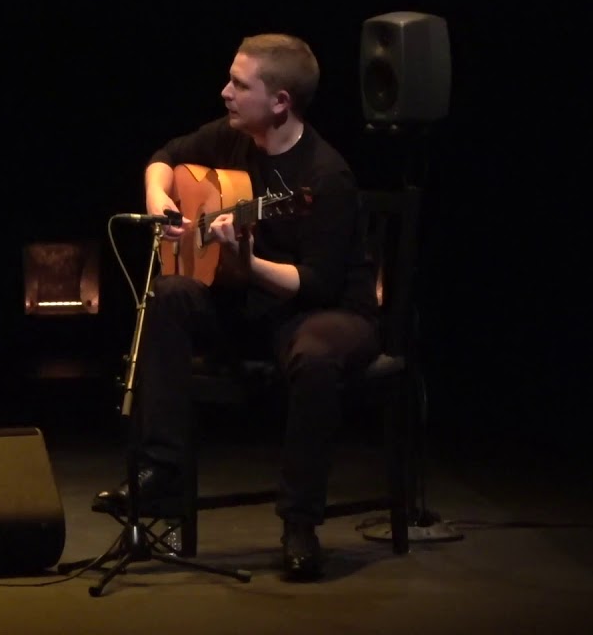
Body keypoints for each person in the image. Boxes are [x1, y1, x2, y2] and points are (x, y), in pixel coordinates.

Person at [92, 33, 380, 581]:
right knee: (170, 295)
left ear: (280, 102)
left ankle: (300, 522)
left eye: (239, 85)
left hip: (323, 313)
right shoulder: (232, 137)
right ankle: (163, 469)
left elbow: (317, 283)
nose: (225, 92)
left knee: (315, 356)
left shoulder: (325, 177)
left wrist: (247, 263)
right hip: (248, 309)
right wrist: (159, 198)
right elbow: (164, 158)